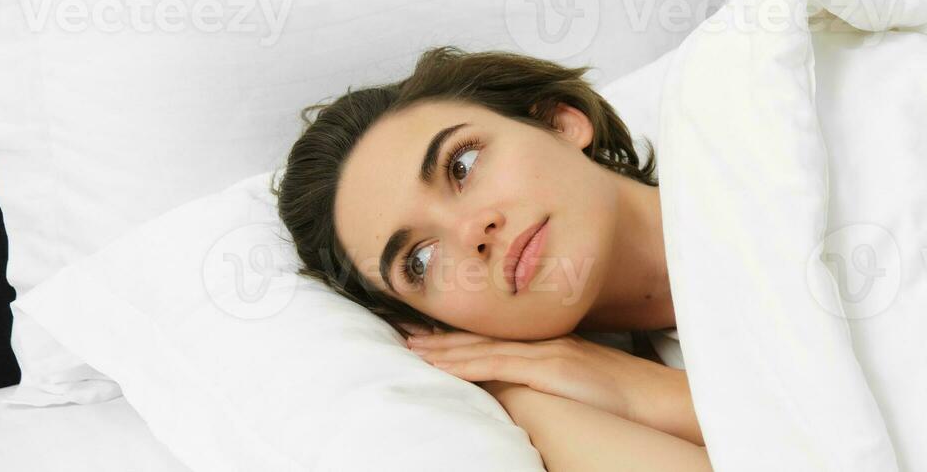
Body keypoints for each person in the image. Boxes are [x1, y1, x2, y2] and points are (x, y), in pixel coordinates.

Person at [276, 47, 707, 471]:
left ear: (559, 121)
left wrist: (638, 391)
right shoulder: (586, 397)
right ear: (438, 322)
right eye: (420, 261)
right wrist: (508, 384)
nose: (470, 233)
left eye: (461, 165)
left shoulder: (749, 108)